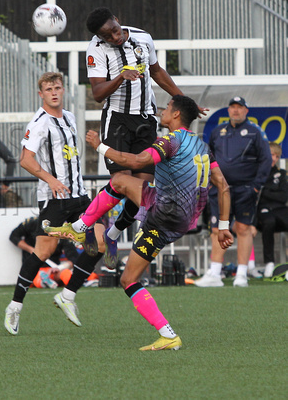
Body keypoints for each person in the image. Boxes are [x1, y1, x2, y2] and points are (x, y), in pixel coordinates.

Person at [47, 95, 233, 351]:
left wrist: (100, 146)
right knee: (122, 188)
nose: (164, 110)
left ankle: (81, 227)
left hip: (163, 213)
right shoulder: (201, 146)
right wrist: (223, 227)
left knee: (121, 184)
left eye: (168, 107)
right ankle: (90, 231)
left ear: (177, 115)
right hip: (179, 220)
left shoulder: (171, 140)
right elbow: (222, 185)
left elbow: (135, 162)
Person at [4, 72, 105, 335]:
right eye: (48, 89)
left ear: (63, 90)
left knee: (101, 243)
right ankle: (14, 306)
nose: (54, 92)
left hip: (80, 196)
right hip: (55, 200)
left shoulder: (70, 117)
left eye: (57, 87)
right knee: (43, 253)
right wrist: (51, 180)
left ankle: (67, 295)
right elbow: (25, 159)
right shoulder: (39, 123)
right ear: (41, 94)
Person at [84, 6, 186, 265]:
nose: (115, 37)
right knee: (122, 180)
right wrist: (121, 76)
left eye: (115, 31)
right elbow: (97, 93)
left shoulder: (143, 37)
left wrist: (182, 99)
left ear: (118, 19)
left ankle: (113, 233)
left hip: (146, 119)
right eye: (107, 36)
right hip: (117, 119)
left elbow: (158, 72)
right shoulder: (95, 50)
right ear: (100, 36)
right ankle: (85, 222)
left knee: (142, 188)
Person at [195, 96, 272, 288]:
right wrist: (209, 182)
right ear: (228, 110)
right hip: (220, 190)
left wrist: (256, 186)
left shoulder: (255, 133)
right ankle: (214, 272)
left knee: (244, 229)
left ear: (246, 110)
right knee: (217, 229)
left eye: (239, 107)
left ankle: (242, 274)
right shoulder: (217, 132)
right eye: (232, 107)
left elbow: (265, 160)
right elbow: (207, 157)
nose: (235, 111)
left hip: (245, 189)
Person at [9, 216, 80, 287]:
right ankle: (44, 282)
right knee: (33, 276)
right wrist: (30, 249)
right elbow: (14, 236)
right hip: (34, 268)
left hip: (53, 269)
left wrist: (59, 268)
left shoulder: (62, 231)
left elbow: (74, 258)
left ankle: (79, 282)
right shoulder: (33, 223)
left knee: (66, 273)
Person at [255, 142, 288, 278]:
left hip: (280, 209)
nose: (273, 158)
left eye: (276, 156)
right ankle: (269, 263)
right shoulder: (257, 173)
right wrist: (272, 193)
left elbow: (284, 197)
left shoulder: (281, 173)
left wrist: (266, 191)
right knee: (269, 223)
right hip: (263, 211)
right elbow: (258, 195)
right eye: (271, 155)